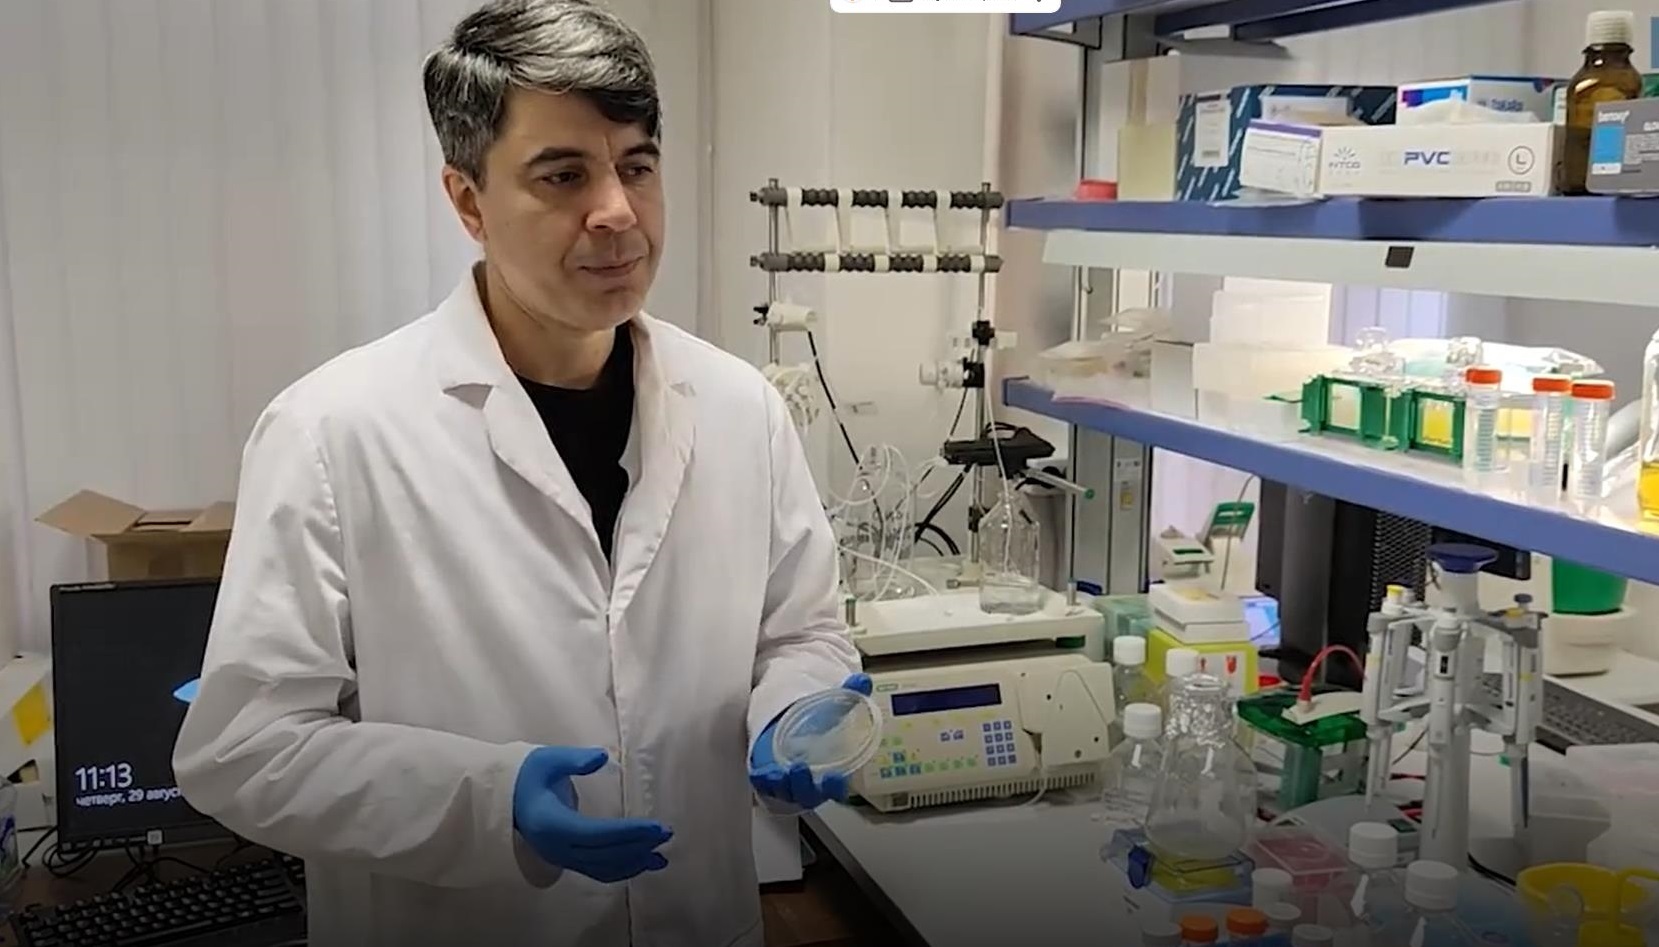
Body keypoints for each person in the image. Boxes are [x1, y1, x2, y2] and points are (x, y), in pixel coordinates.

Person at [170, 1, 864, 945]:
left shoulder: (741, 408)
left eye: (637, 166)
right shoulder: (332, 431)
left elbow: (802, 631)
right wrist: (484, 800)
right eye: (563, 175)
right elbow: (242, 749)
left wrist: (797, 706)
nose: (617, 211)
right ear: (468, 201)